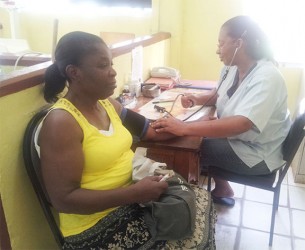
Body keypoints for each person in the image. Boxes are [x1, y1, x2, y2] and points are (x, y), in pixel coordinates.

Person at [36, 31, 215, 249]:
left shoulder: (107, 104)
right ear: (74, 72)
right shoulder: (61, 123)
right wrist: (133, 194)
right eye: (103, 66)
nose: (113, 73)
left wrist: (187, 127)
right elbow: (63, 200)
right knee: (190, 239)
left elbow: (149, 131)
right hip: (95, 223)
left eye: (111, 64)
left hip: (133, 195)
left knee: (201, 203)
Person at [151, 15, 291, 207]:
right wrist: (196, 98)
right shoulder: (233, 68)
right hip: (242, 142)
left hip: (257, 154)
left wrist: (184, 127)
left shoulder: (267, 77)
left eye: (221, 43)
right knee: (199, 134)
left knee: (189, 145)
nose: (218, 50)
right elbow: (220, 93)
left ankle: (181, 206)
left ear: (238, 43)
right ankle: (221, 188)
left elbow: (242, 123)